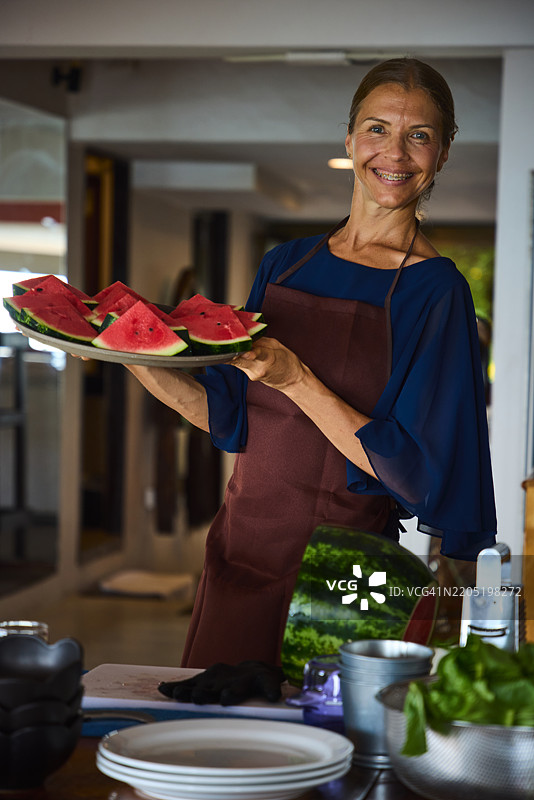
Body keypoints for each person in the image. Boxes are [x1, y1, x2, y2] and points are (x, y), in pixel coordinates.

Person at [128, 58, 497, 672]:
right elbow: (223, 411)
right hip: (242, 546)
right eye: (377, 129)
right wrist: (122, 351)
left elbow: (414, 471)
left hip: (346, 571)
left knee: (319, 747)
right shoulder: (284, 265)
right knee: (220, 746)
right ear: (349, 139)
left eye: (420, 135)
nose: (395, 153)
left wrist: (295, 378)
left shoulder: (436, 292)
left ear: (444, 152)